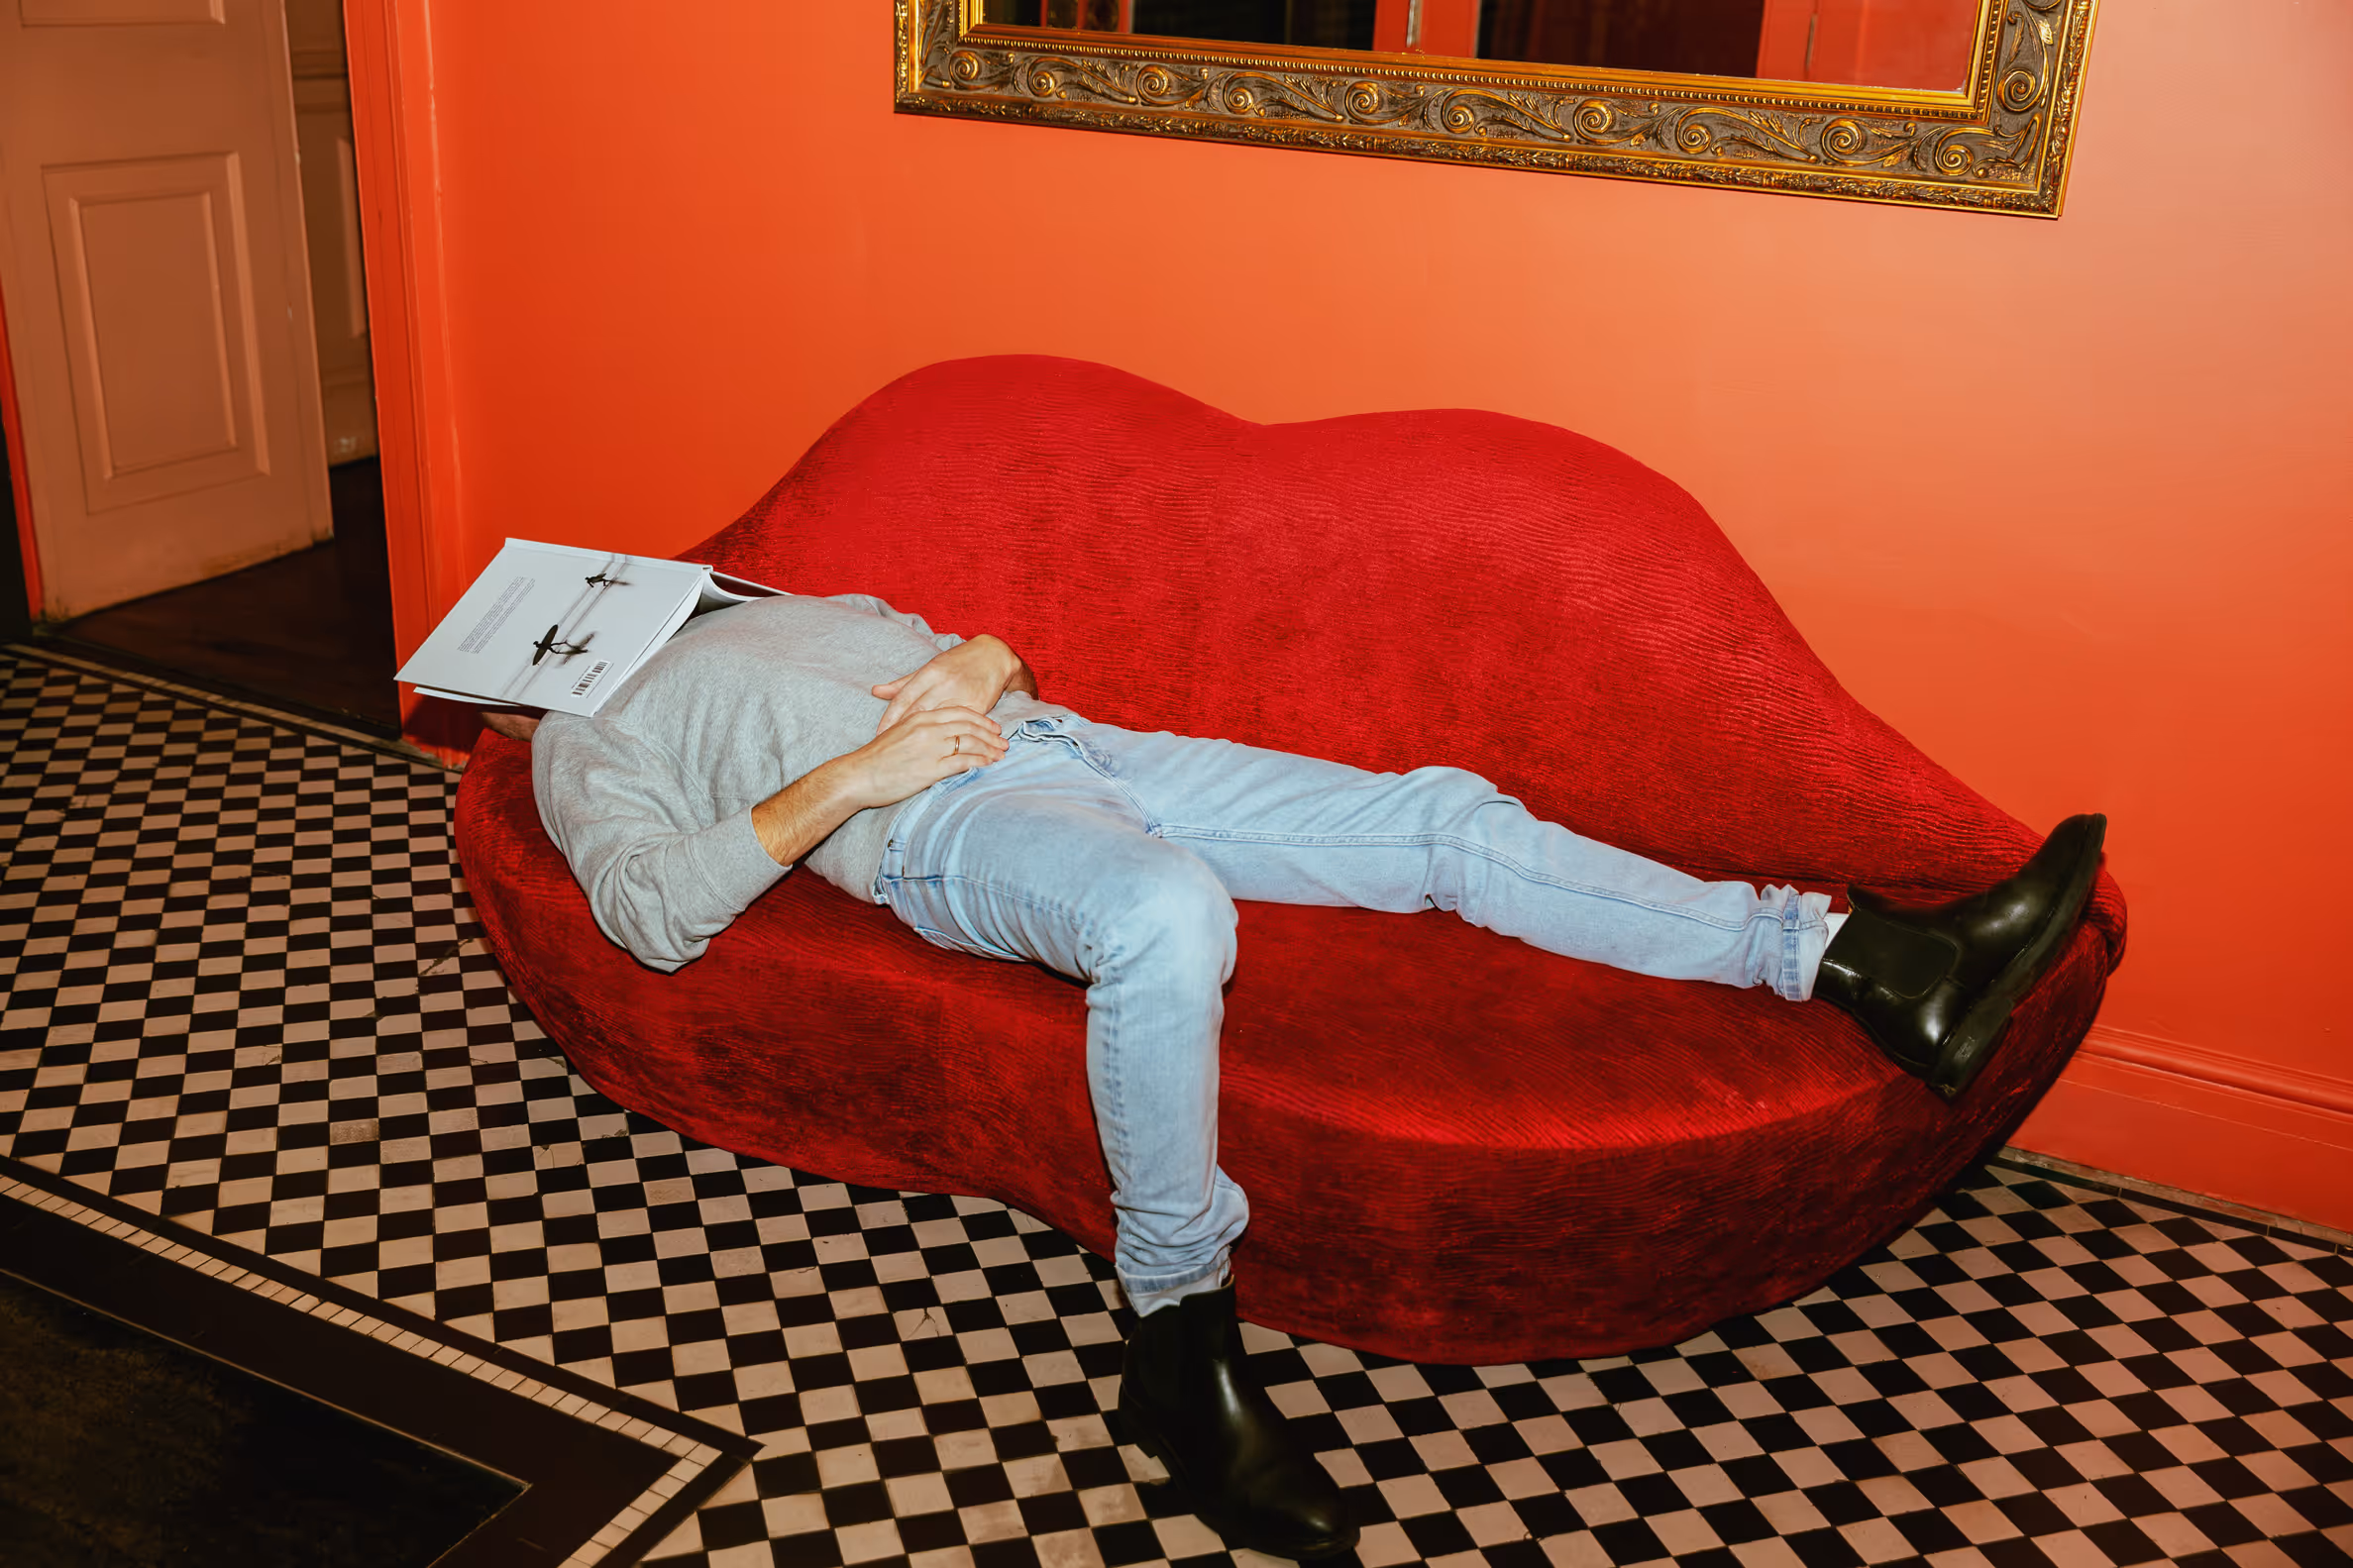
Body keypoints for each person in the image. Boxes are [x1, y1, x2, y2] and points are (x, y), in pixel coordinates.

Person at [491, 590, 2104, 1561]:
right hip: (937, 828)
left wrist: (979, 662)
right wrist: (860, 772)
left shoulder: (764, 601)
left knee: (1442, 818)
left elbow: (982, 655)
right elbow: (651, 912)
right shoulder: (580, 732)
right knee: (1159, 916)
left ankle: (1870, 964)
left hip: (1083, 747)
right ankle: (1177, 1335)